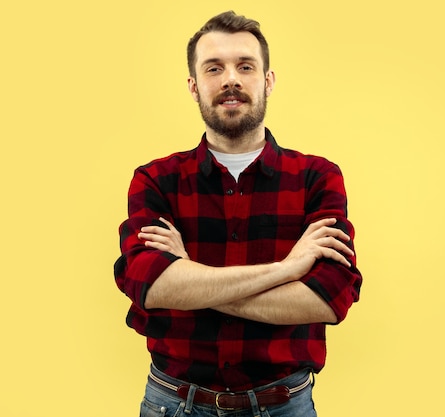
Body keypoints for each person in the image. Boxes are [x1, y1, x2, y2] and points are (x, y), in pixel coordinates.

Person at [114, 10, 362, 417]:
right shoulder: (156, 180)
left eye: (245, 66)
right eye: (214, 68)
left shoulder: (317, 177)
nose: (230, 78)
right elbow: (152, 287)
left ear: (267, 81)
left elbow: (329, 299)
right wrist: (288, 268)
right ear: (194, 87)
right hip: (175, 405)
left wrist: (190, 276)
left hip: (284, 405)